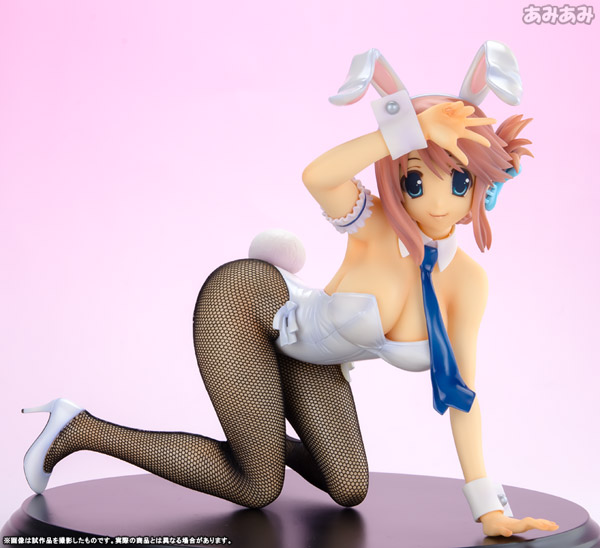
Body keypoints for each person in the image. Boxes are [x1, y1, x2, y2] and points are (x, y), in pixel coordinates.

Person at [22, 42, 559, 537]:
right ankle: (80, 429)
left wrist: (489, 509)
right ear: (396, 178)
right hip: (248, 304)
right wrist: (407, 132)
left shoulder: (468, 282)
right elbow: (317, 176)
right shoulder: (374, 224)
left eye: (459, 181)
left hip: (310, 358)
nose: (438, 202)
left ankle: (253, 431)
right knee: (256, 485)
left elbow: (464, 396)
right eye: (416, 181)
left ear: (483, 186)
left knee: (349, 487)